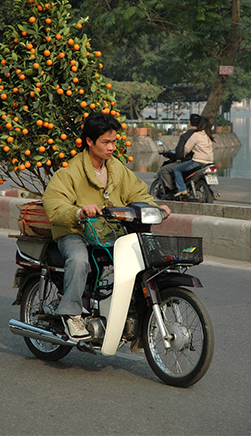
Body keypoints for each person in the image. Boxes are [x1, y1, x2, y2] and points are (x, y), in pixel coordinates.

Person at [43, 113, 171, 341]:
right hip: (76, 232)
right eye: (106, 142)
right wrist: (79, 212)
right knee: (79, 260)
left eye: (114, 142)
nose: (112, 147)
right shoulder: (70, 171)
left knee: (138, 260)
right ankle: (72, 314)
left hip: (108, 233)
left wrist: (155, 208)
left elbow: (138, 192)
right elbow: (54, 205)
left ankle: (127, 314)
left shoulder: (117, 169)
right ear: (90, 141)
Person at [158, 113, 201, 195]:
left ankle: (171, 189)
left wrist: (179, 156)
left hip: (188, 162)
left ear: (189, 122)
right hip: (202, 161)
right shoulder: (202, 135)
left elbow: (180, 153)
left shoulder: (186, 136)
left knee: (165, 169)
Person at [174, 116, 215, 197]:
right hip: (209, 163)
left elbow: (187, 148)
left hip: (198, 161)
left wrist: (184, 156)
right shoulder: (208, 136)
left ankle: (182, 189)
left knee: (177, 169)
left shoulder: (196, 135)